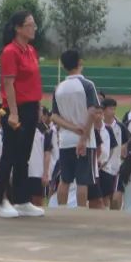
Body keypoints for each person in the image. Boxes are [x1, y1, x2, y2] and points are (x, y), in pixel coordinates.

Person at [0, 10, 45, 218]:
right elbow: (9, 83)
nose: (33, 28)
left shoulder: (31, 50)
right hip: (15, 108)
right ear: (18, 28)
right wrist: (13, 113)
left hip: (30, 107)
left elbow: (33, 81)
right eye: (29, 25)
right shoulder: (10, 52)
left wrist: (38, 106)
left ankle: (23, 200)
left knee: (24, 157)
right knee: (9, 155)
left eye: (34, 24)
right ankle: (0, 200)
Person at [51, 49, 100, 208]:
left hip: (65, 140)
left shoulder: (59, 87)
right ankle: (80, 212)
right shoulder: (87, 85)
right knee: (82, 180)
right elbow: (92, 111)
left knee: (65, 179)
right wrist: (83, 137)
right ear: (80, 62)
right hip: (85, 139)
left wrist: (72, 127)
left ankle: (61, 210)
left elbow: (54, 116)